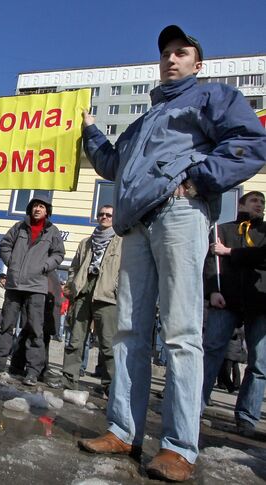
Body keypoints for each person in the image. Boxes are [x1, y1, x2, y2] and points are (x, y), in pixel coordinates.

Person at [76, 25, 266, 482]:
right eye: (165, 53)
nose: (171, 59)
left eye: (181, 53)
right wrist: (88, 130)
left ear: (196, 64)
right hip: (136, 226)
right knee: (129, 331)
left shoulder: (211, 98)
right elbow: (111, 164)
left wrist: (198, 181)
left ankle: (180, 447)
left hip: (180, 213)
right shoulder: (144, 122)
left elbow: (251, 143)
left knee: (181, 332)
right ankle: (124, 430)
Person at [202, 191, 265, 437]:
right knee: (212, 352)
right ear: (241, 204)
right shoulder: (223, 230)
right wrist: (213, 291)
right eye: (254, 201)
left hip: (260, 301)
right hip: (225, 299)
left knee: (259, 362)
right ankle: (195, 406)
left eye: (262, 202)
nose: (259, 205)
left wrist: (229, 253)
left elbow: (263, 257)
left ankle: (247, 417)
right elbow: (210, 264)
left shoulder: (265, 233)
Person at [0, 194, 65, 386]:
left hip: (37, 287)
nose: (37, 209)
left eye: (42, 206)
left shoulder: (52, 231)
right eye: (35, 206)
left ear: (47, 211)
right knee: (6, 326)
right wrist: (12, 263)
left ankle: (32, 371)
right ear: (30, 209)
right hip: (14, 285)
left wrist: (45, 266)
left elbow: (59, 254)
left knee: (35, 330)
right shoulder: (19, 227)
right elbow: (5, 244)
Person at [49, 204, 121, 395]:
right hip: (83, 292)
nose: (104, 217)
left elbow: (127, 269)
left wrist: (116, 288)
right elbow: (73, 267)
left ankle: (110, 386)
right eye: (101, 214)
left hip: (107, 295)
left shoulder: (122, 241)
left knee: (107, 344)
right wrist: (72, 285)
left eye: (108, 215)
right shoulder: (86, 242)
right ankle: (68, 379)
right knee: (76, 339)